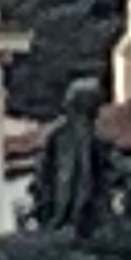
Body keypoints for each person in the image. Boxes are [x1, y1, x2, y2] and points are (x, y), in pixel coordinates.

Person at [32, 76, 116, 241]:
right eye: (94, 106)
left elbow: (109, 169)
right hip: (66, 216)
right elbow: (48, 175)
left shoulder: (96, 139)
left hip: (86, 216)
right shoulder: (60, 138)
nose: (98, 112)